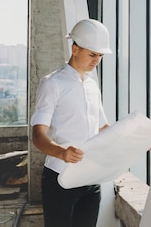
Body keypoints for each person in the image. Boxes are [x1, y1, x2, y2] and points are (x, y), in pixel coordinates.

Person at [31, 18, 113, 227]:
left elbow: (104, 128)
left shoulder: (93, 86)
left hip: (90, 178)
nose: (96, 60)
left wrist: (136, 139)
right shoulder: (53, 83)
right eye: (92, 54)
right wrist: (62, 153)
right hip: (60, 178)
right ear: (75, 49)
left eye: (100, 56)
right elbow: (38, 136)